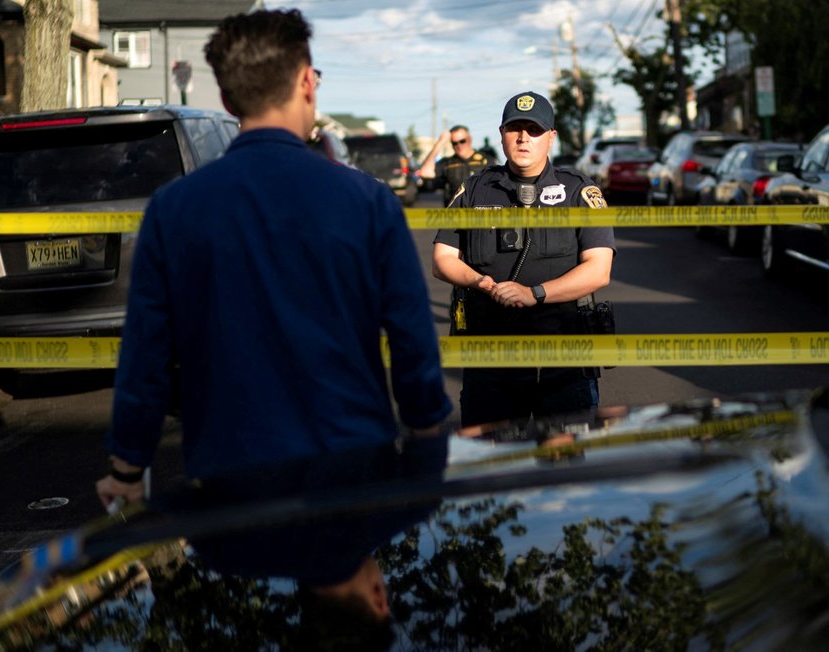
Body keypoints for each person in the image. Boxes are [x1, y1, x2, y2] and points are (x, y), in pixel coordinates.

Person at [96, 9, 451, 507]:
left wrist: (127, 468)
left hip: (228, 476)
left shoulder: (174, 210)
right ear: (307, 82)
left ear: (226, 98)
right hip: (353, 467)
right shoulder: (367, 201)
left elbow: (146, 354)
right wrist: (427, 443)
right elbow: (413, 341)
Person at [432, 91, 615, 427]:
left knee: (566, 464)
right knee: (490, 466)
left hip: (564, 359)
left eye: (534, 129)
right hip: (489, 358)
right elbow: (442, 257)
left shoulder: (578, 191)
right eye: (515, 128)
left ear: (551, 138)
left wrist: (535, 294)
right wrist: (484, 284)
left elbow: (599, 269)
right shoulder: (475, 190)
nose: (523, 138)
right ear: (502, 134)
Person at [418, 125, 496, 207]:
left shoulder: (486, 161)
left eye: (462, 141)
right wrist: (440, 142)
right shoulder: (447, 163)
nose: (459, 146)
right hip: (455, 214)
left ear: (469, 139)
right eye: (454, 143)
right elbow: (425, 172)